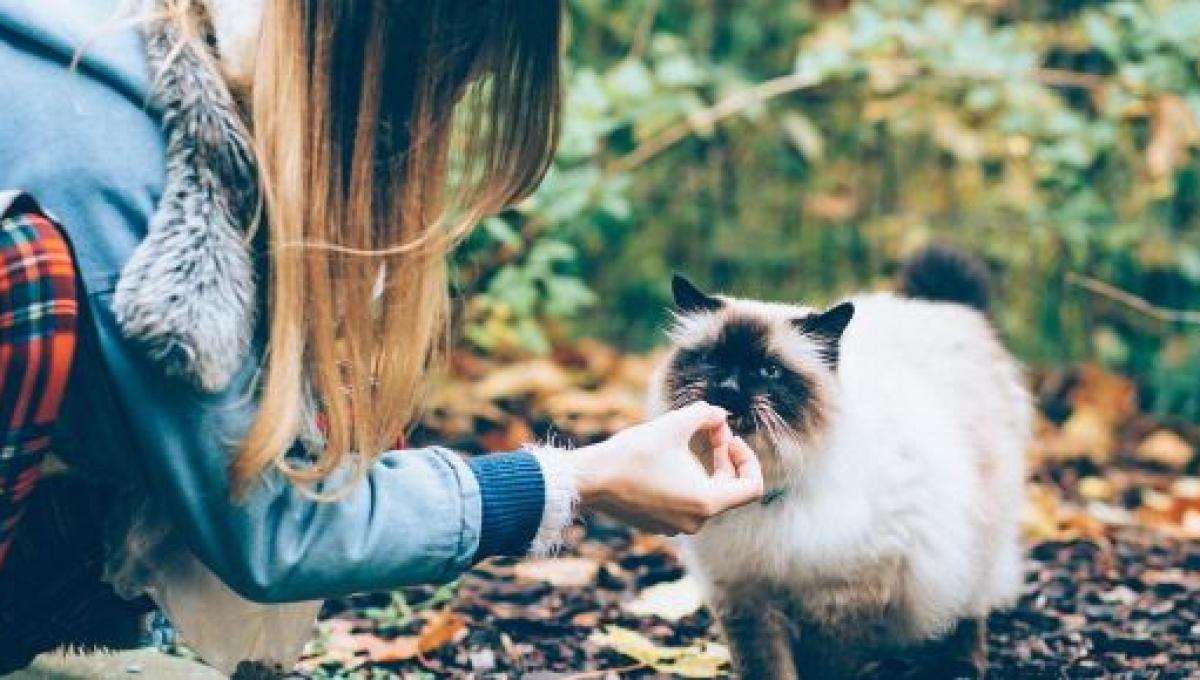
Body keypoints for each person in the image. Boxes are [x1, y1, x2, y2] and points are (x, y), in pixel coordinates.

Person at [0, 0, 764, 672]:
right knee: (25, 280)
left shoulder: (161, 51)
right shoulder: (136, 168)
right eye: (440, 93)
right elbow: (272, 527)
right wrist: (579, 479)